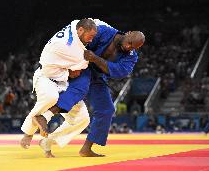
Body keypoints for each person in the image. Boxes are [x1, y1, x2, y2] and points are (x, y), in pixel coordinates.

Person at [34, 19, 145, 157]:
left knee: (107, 110)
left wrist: (96, 59)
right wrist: (71, 66)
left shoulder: (131, 56)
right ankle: (44, 116)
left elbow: (120, 72)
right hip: (82, 67)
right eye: (129, 43)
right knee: (80, 89)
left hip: (98, 77)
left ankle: (86, 148)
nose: (129, 48)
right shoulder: (105, 32)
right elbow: (80, 44)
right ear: (127, 33)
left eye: (134, 47)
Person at [20, 18, 97, 156]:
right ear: (80, 31)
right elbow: (81, 68)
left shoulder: (74, 25)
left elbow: (78, 22)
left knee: (83, 118)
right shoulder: (69, 47)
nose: (91, 40)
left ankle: (47, 142)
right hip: (45, 77)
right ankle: (28, 133)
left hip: (62, 82)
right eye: (90, 37)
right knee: (51, 97)